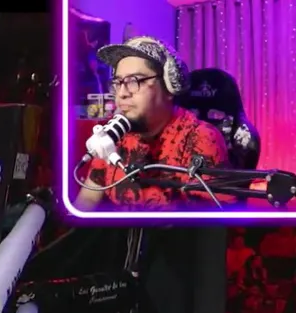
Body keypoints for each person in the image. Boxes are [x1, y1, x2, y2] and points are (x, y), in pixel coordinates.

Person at [73, 36, 230, 211]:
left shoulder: (200, 138)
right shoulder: (114, 134)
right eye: (118, 82)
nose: (121, 93)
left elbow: (206, 224)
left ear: (169, 88)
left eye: (134, 81)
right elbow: (87, 199)